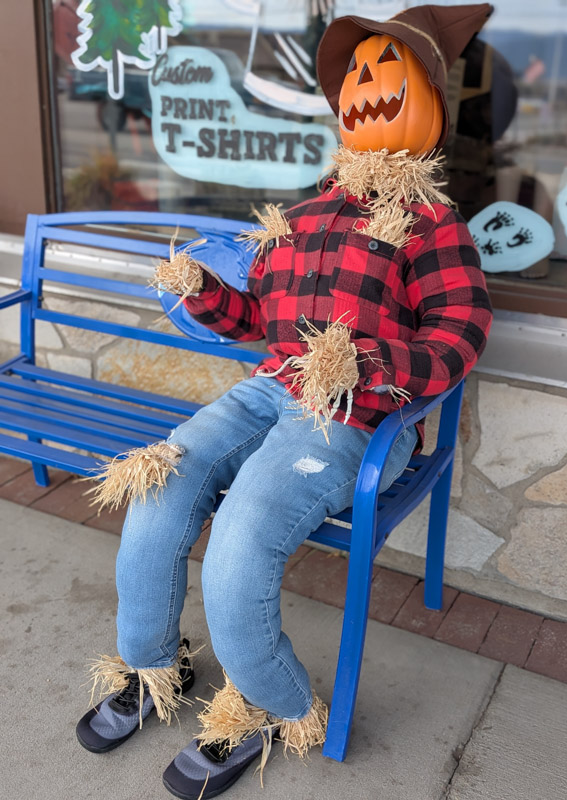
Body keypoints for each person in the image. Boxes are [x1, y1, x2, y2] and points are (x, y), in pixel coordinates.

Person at [75, 5, 494, 798]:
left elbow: (460, 336)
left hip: (354, 417)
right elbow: (260, 323)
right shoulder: (304, 216)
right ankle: (151, 666)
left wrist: (366, 363)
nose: (366, 86)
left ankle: (271, 705)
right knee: (158, 486)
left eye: (386, 70)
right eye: (356, 74)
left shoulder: (432, 225)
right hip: (270, 386)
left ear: (430, 98)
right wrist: (205, 294)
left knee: (241, 538)